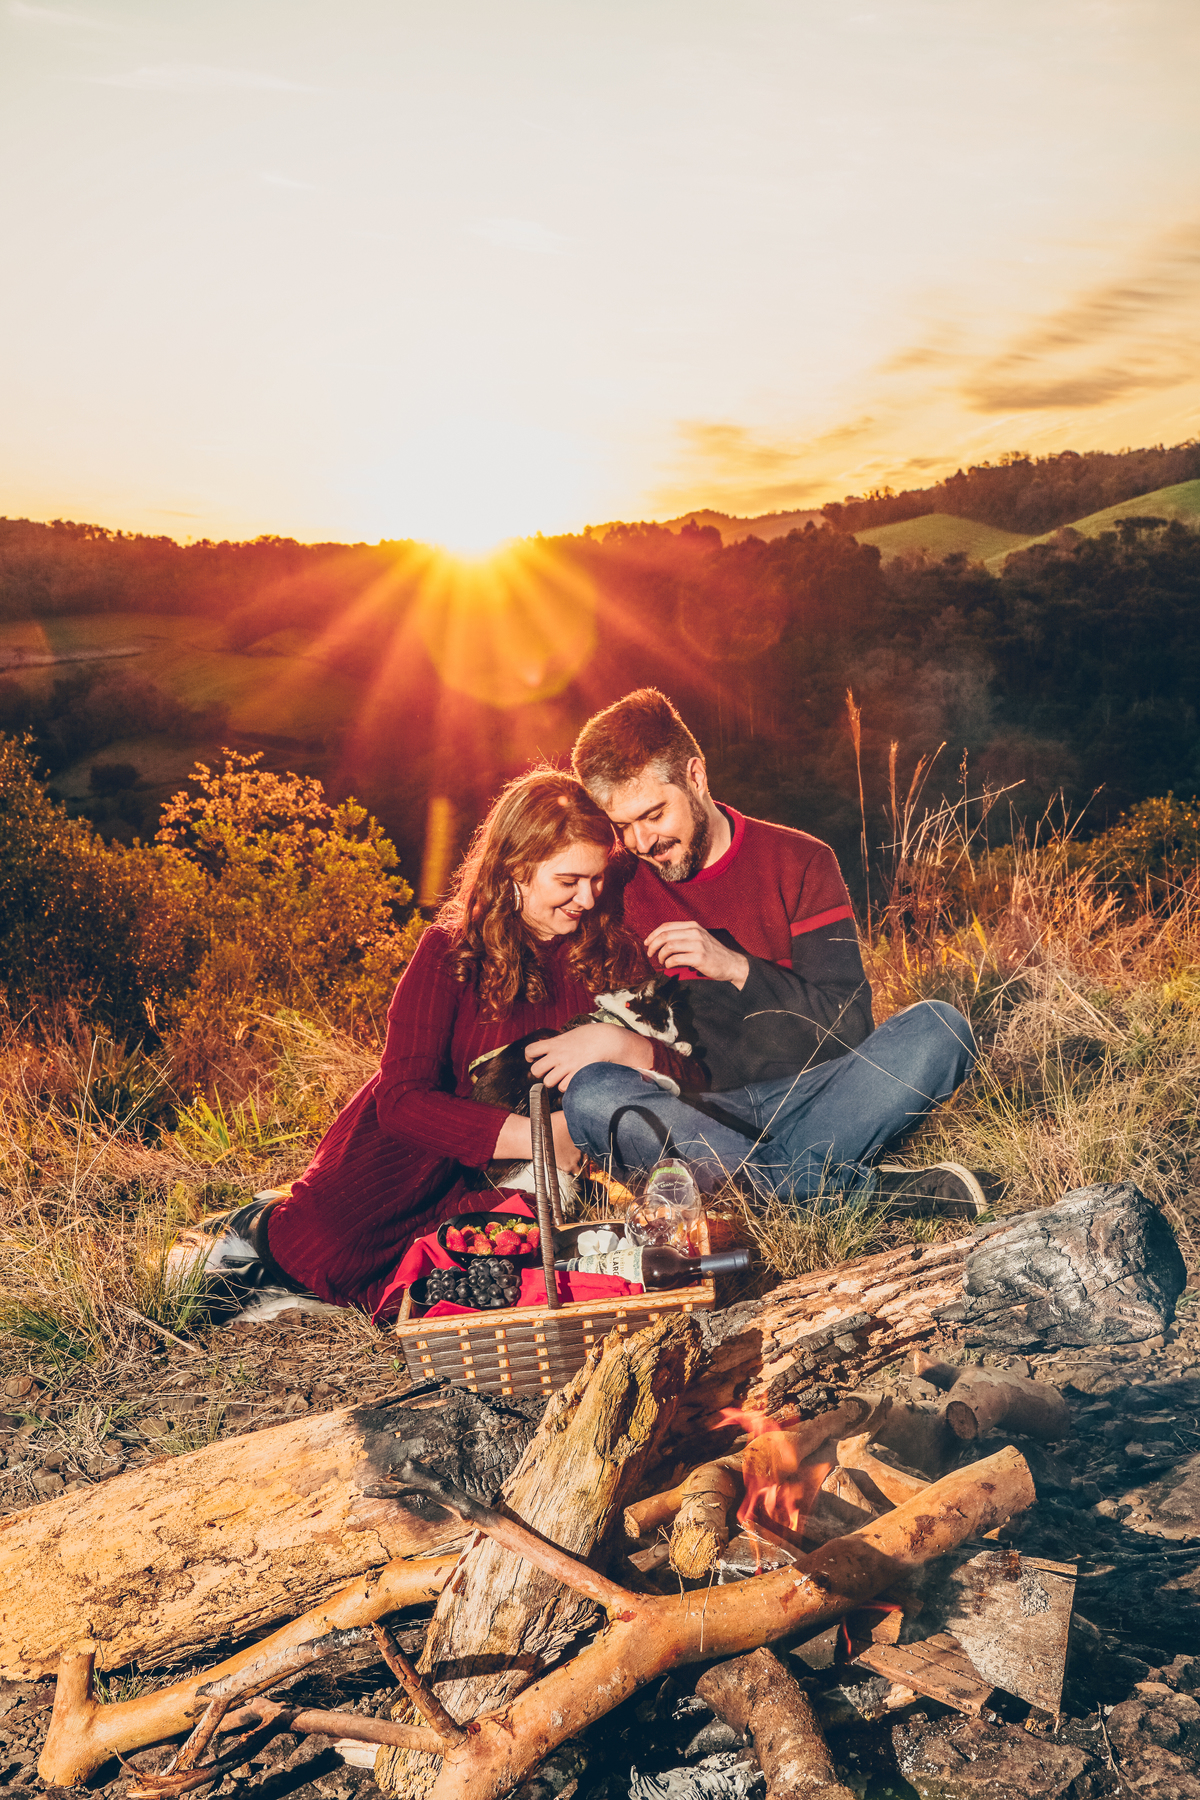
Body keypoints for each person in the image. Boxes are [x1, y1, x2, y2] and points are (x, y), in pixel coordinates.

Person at [254, 769, 698, 1317]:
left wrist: (624, 1046)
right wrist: (541, 1137)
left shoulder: (611, 948)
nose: (587, 896)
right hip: (401, 1172)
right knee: (320, 1252)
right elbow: (399, 1100)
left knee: (500, 1273)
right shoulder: (449, 952)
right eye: (568, 881)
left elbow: (690, 1071)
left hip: (521, 1186)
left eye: (597, 878)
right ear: (516, 871)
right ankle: (249, 1228)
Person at [563, 688, 986, 1212]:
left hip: (816, 1095)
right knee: (592, 1094)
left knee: (940, 1029)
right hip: (694, 1116)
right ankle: (854, 1196)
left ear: (695, 777)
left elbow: (848, 1027)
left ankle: (759, 1194)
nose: (642, 842)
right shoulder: (614, 887)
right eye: (623, 826)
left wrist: (736, 968)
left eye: (653, 814)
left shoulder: (801, 861)